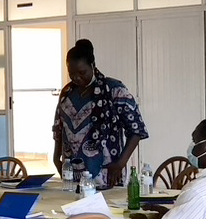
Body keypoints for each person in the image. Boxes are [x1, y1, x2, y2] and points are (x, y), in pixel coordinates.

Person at [53, 39, 148, 187]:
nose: (77, 78)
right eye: (71, 74)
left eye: (82, 72)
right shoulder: (67, 93)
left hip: (107, 175)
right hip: (72, 175)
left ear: (92, 65)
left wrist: (120, 163)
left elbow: (136, 130)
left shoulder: (114, 90)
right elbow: (59, 128)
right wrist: (55, 158)